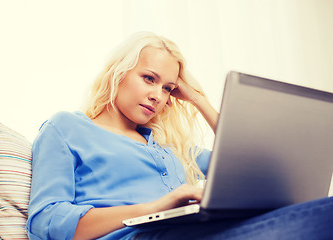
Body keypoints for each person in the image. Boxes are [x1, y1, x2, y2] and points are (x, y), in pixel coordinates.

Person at [26, 32, 333, 240]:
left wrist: (199, 99)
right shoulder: (65, 128)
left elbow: (260, 169)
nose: (158, 95)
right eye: (149, 78)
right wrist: (156, 207)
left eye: (168, 88)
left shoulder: (170, 147)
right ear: (117, 73)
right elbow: (45, 222)